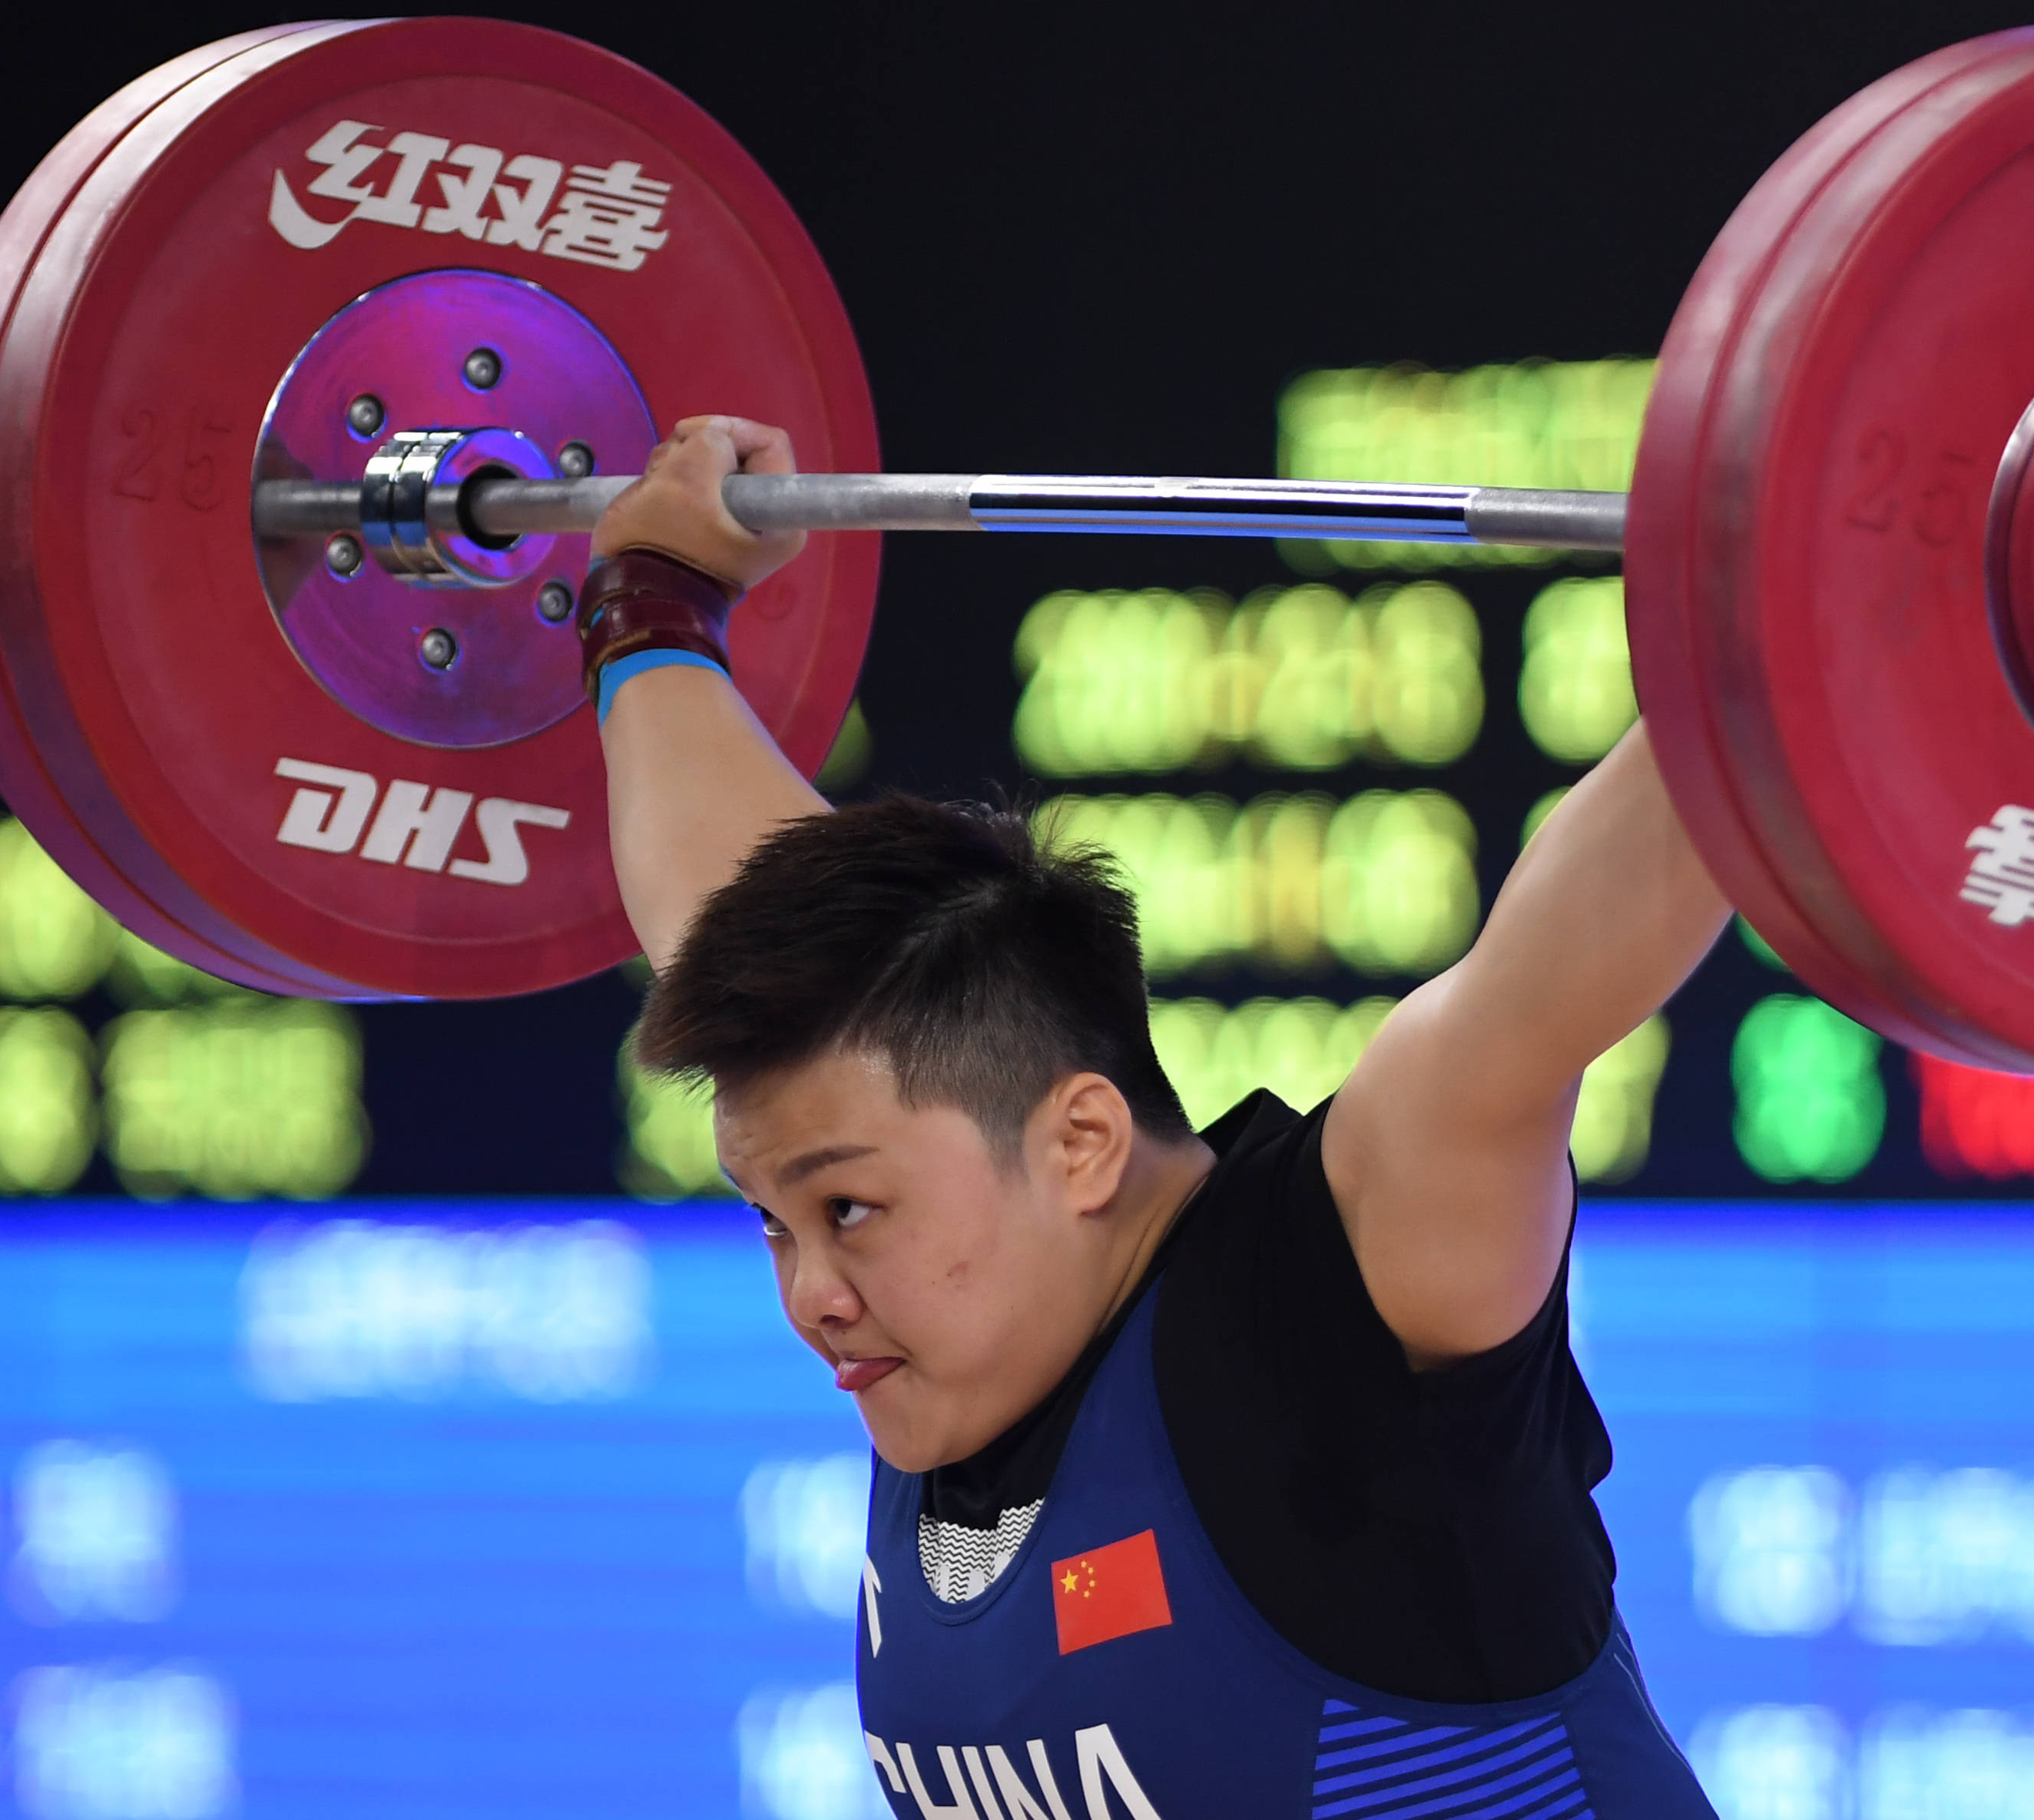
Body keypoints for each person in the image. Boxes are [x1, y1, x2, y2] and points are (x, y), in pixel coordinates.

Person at [586, 416, 1730, 1820]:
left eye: (849, 1212)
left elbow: (1527, 1008)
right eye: (774, 1223)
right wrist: (650, 600)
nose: (810, 1295)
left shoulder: (1325, 1304)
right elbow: (709, 892)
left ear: (1079, 1141)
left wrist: (1779, 627)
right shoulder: (952, 1330)